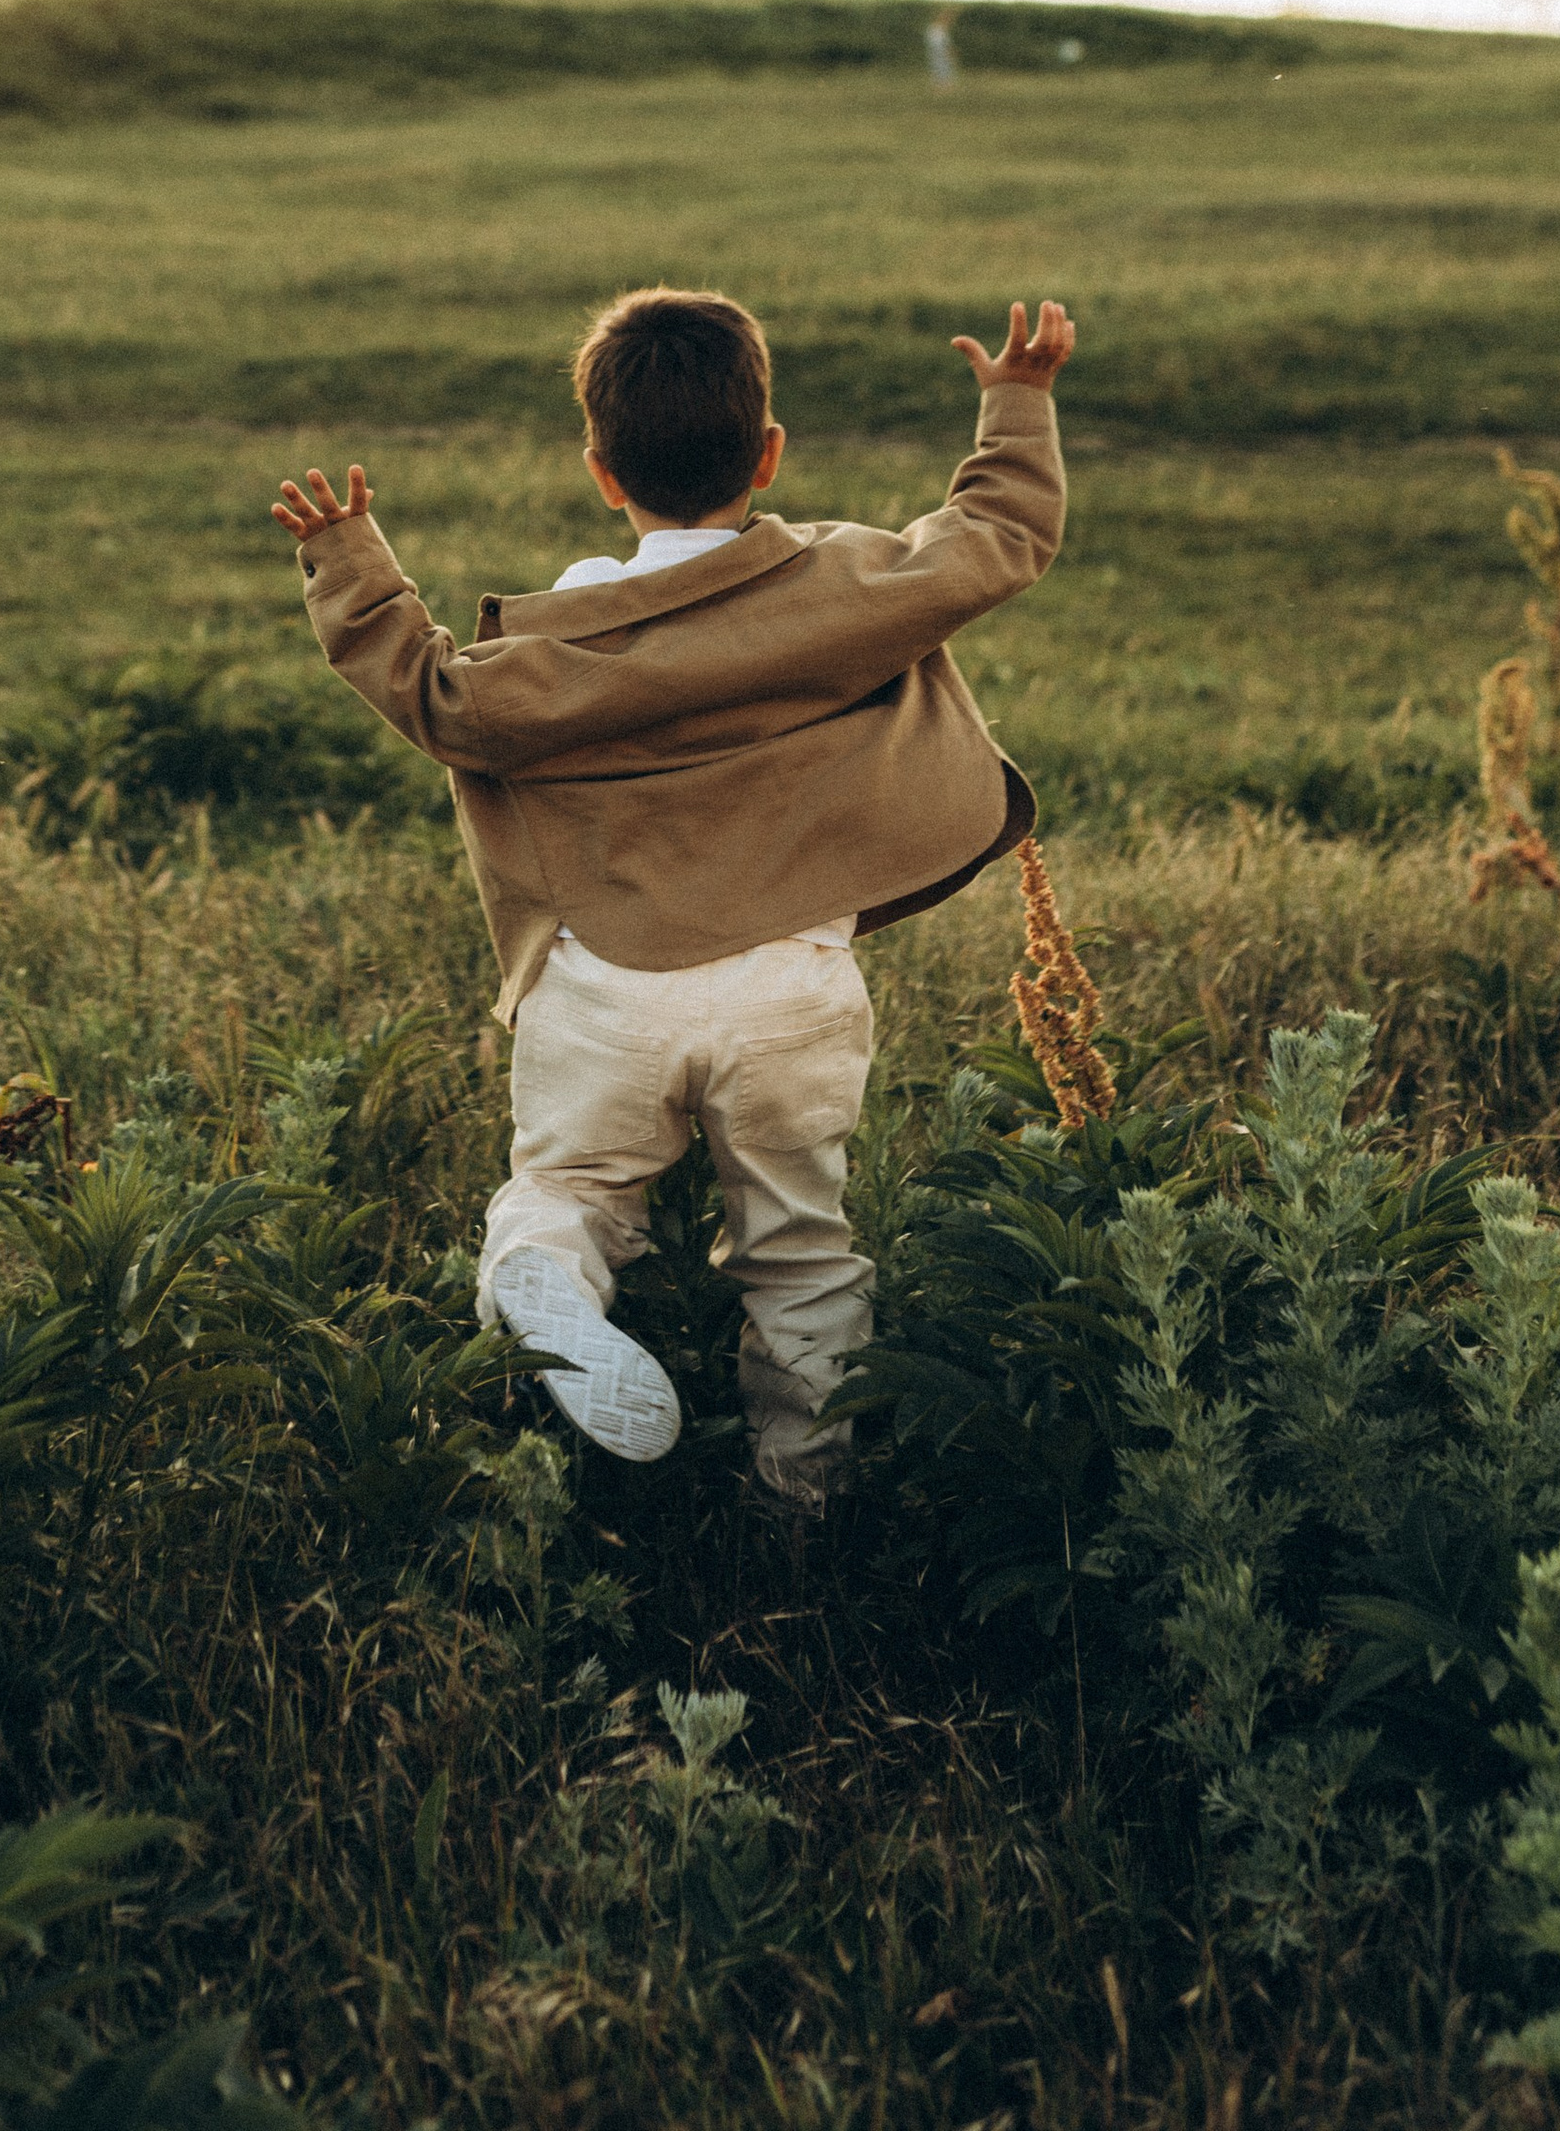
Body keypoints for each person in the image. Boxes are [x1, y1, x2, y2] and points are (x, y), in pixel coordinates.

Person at [273, 286, 1072, 1501]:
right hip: (792, 988)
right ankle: (804, 1503)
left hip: (606, 987)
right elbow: (998, 534)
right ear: (769, 453)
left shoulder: (566, 637)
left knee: (569, 1190)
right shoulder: (850, 585)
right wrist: (1015, 402)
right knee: (801, 1251)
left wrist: (349, 560)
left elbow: (431, 694)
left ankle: (550, 1271)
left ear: (601, 470)